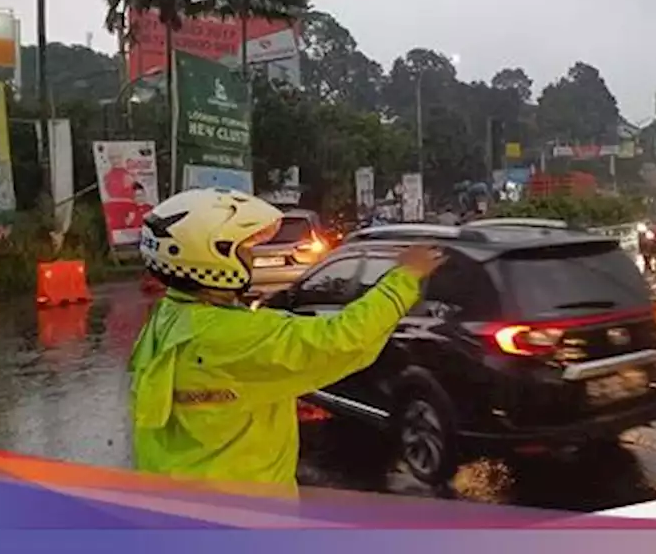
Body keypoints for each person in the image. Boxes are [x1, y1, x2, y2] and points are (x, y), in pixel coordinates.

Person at [128, 187, 446, 490]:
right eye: (245, 249)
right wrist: (405, 277)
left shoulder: (167, 318)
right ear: (213, 257)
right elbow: (345, 340)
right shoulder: (233, 337)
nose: (253, 257)